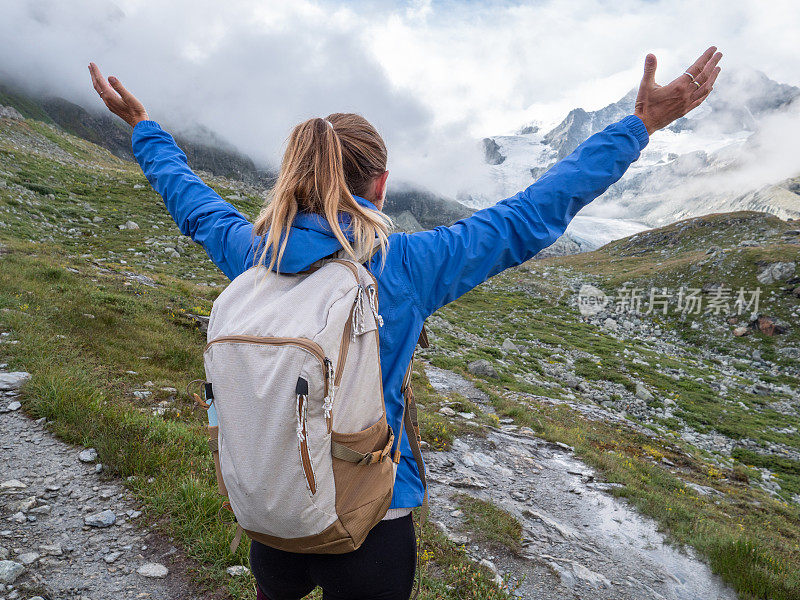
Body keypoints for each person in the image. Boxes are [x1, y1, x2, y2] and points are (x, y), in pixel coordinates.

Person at [89, 46, 721, 600]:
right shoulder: (407, 266)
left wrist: (143, 127)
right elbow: (532, 214)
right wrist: (641, 125)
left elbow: (192, 202)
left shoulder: (253, 254)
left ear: (297, 178)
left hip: (276, 514)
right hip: (374, 524)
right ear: (381, 185)